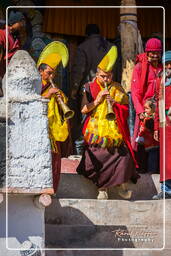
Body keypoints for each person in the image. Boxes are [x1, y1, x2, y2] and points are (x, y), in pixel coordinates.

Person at [76, 46, 139, 200]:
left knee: (123, 158)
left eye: (109, 76)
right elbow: (84, 109)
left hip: (114, 131)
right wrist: (97, 101)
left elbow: (126, 110)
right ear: (97, 74)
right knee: (96, 159)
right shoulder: (88, 87)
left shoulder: (117, 88)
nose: (106, 80)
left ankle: (121, 186)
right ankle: (102, 189)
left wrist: (115, 104)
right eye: (103, 76)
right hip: (96, 130)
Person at [70, 24, 115, 155]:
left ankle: (82, 152)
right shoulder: (111, 47)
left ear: (86, 34)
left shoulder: (83, 47)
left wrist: (73, 90)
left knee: (85, 122)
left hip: (89, 89)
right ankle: (102, 152)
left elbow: (79, 70)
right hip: (109, 89)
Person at [37, 41, 72, 193]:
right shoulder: (35, 84)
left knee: (55, 159)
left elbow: (64, 104)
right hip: (39, 129)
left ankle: (53, 189)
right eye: (48, 73)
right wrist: (47, 94)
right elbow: (31, 100)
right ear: (40, 71)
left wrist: (60, 98)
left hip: (53, 129)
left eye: (53, 73)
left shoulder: (53, 86)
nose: (51, 76)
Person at [131, 38, 163, 172]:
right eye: (152, 53)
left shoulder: (163, 68)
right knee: (141, 142)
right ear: (147, 52)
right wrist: (140, 111)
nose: (155, 56)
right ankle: (142, 172)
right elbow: (135, 92)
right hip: (145, 110)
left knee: (159, 142)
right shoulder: (140, 67)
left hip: (160, 110)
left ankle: (159, 172)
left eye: (157, 53)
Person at [153, 51, 171, 199]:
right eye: (166, 64)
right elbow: (158, 103)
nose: (169, 66)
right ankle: (166, 189)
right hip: (164, 123)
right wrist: (156, 127)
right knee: (165, 157)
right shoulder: (160, 81)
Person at [0, 10, 25, 96]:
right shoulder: (1, 34)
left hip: (11, 73)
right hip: (2, 71)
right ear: (13, 22)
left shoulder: (16, 36)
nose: (22, 24)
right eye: (21, 21)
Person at [135, 98, 159, 173]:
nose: (145, 110)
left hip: (152, 143)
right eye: (144, 108)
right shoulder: (146, 117)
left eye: (147, 108)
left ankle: (152, 170)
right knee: (144, 156)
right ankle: (144, 169)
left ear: (153, 108)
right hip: (145, 141)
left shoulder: (152, 119)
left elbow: (149, 128)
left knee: (152, 156)